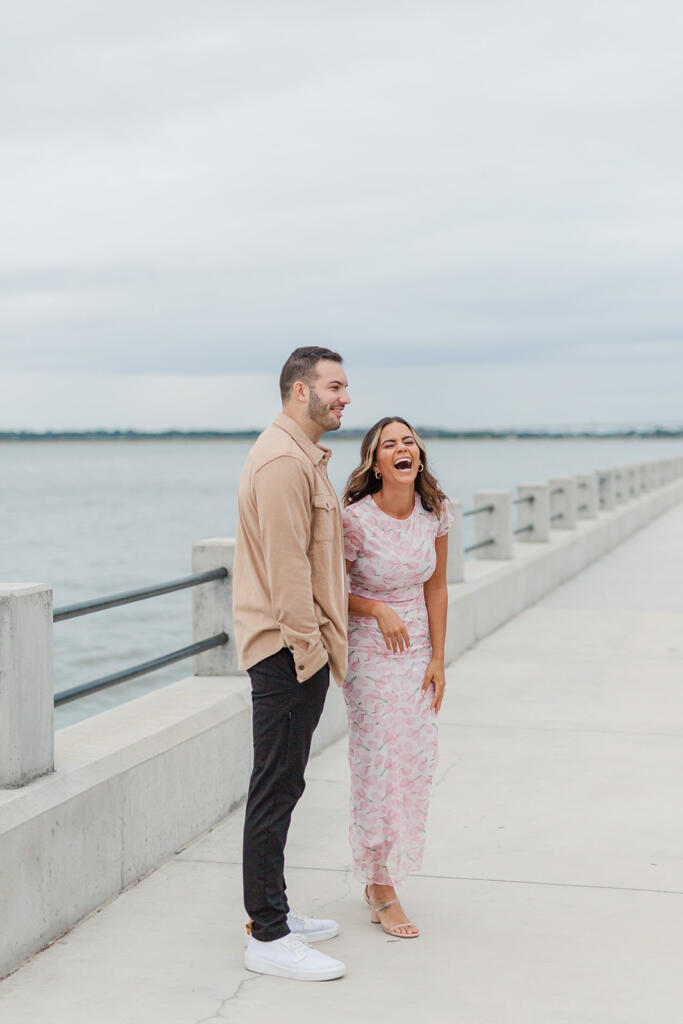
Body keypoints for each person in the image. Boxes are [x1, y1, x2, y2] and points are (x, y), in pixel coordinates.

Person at [233, 347, 351, 981]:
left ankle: (271, 911)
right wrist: (311, 656)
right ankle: (269, 936)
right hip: (286, 653)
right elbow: (287, 572)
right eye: (335, 386)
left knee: (285, 784)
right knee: (275, 787)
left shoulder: (303, 457)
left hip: (294, 652)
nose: (345, 397)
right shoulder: (283, 462)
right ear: (300, 391)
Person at [341, 416, 452, 938]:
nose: (402, 448)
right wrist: (375, 610)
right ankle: (382, 887)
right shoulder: (355, 522)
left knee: (412, 761)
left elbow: (436, 588)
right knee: (379, 762)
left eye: (409, 440)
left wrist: (438, 658)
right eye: (390, 444)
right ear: (376, 462)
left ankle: (381, 874)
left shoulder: (435, 513)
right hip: (369, 654)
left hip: (417, 654)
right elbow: (330, 591)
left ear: (418, 456)